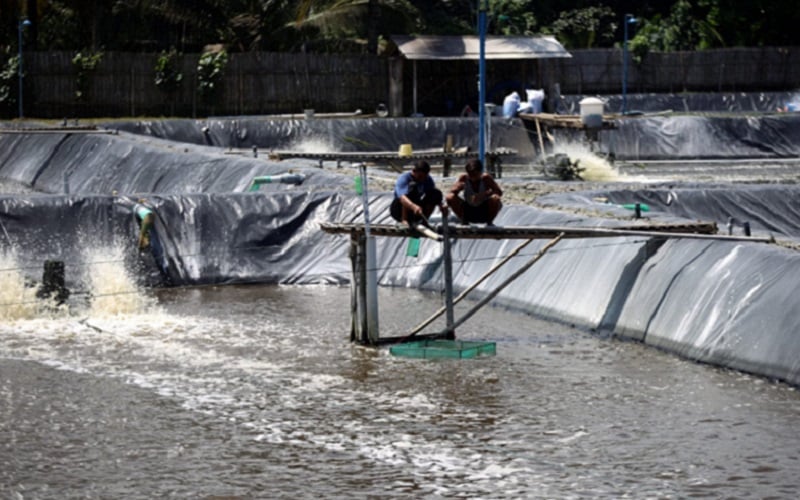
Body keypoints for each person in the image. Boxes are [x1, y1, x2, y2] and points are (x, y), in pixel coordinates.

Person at [446, 158, 503, 225]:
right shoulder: (464, 178)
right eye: (470, 175)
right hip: (469, 210)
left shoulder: (486, 178)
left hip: (484, 210)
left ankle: (489, 222)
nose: (473, 178)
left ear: (480, 172)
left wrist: (483, 195)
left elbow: (499, 192)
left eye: (475, 175)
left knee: (495, 198)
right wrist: (457, 189)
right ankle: (464, 221)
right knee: (450, 197)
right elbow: (451, 194)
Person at [390, 160, 445, 227]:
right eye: (420, 176)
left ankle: (424, 221)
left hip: (416, 209)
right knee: (413, 187)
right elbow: (402, 198)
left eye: (424, 177)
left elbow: (433, 194)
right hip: (398, 210)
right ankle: (404, 220)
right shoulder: (404, 178)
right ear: (414, 171)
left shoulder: (427, 179)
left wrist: (441, 205)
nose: (422, 179)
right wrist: (413, 206)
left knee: (436, 193)